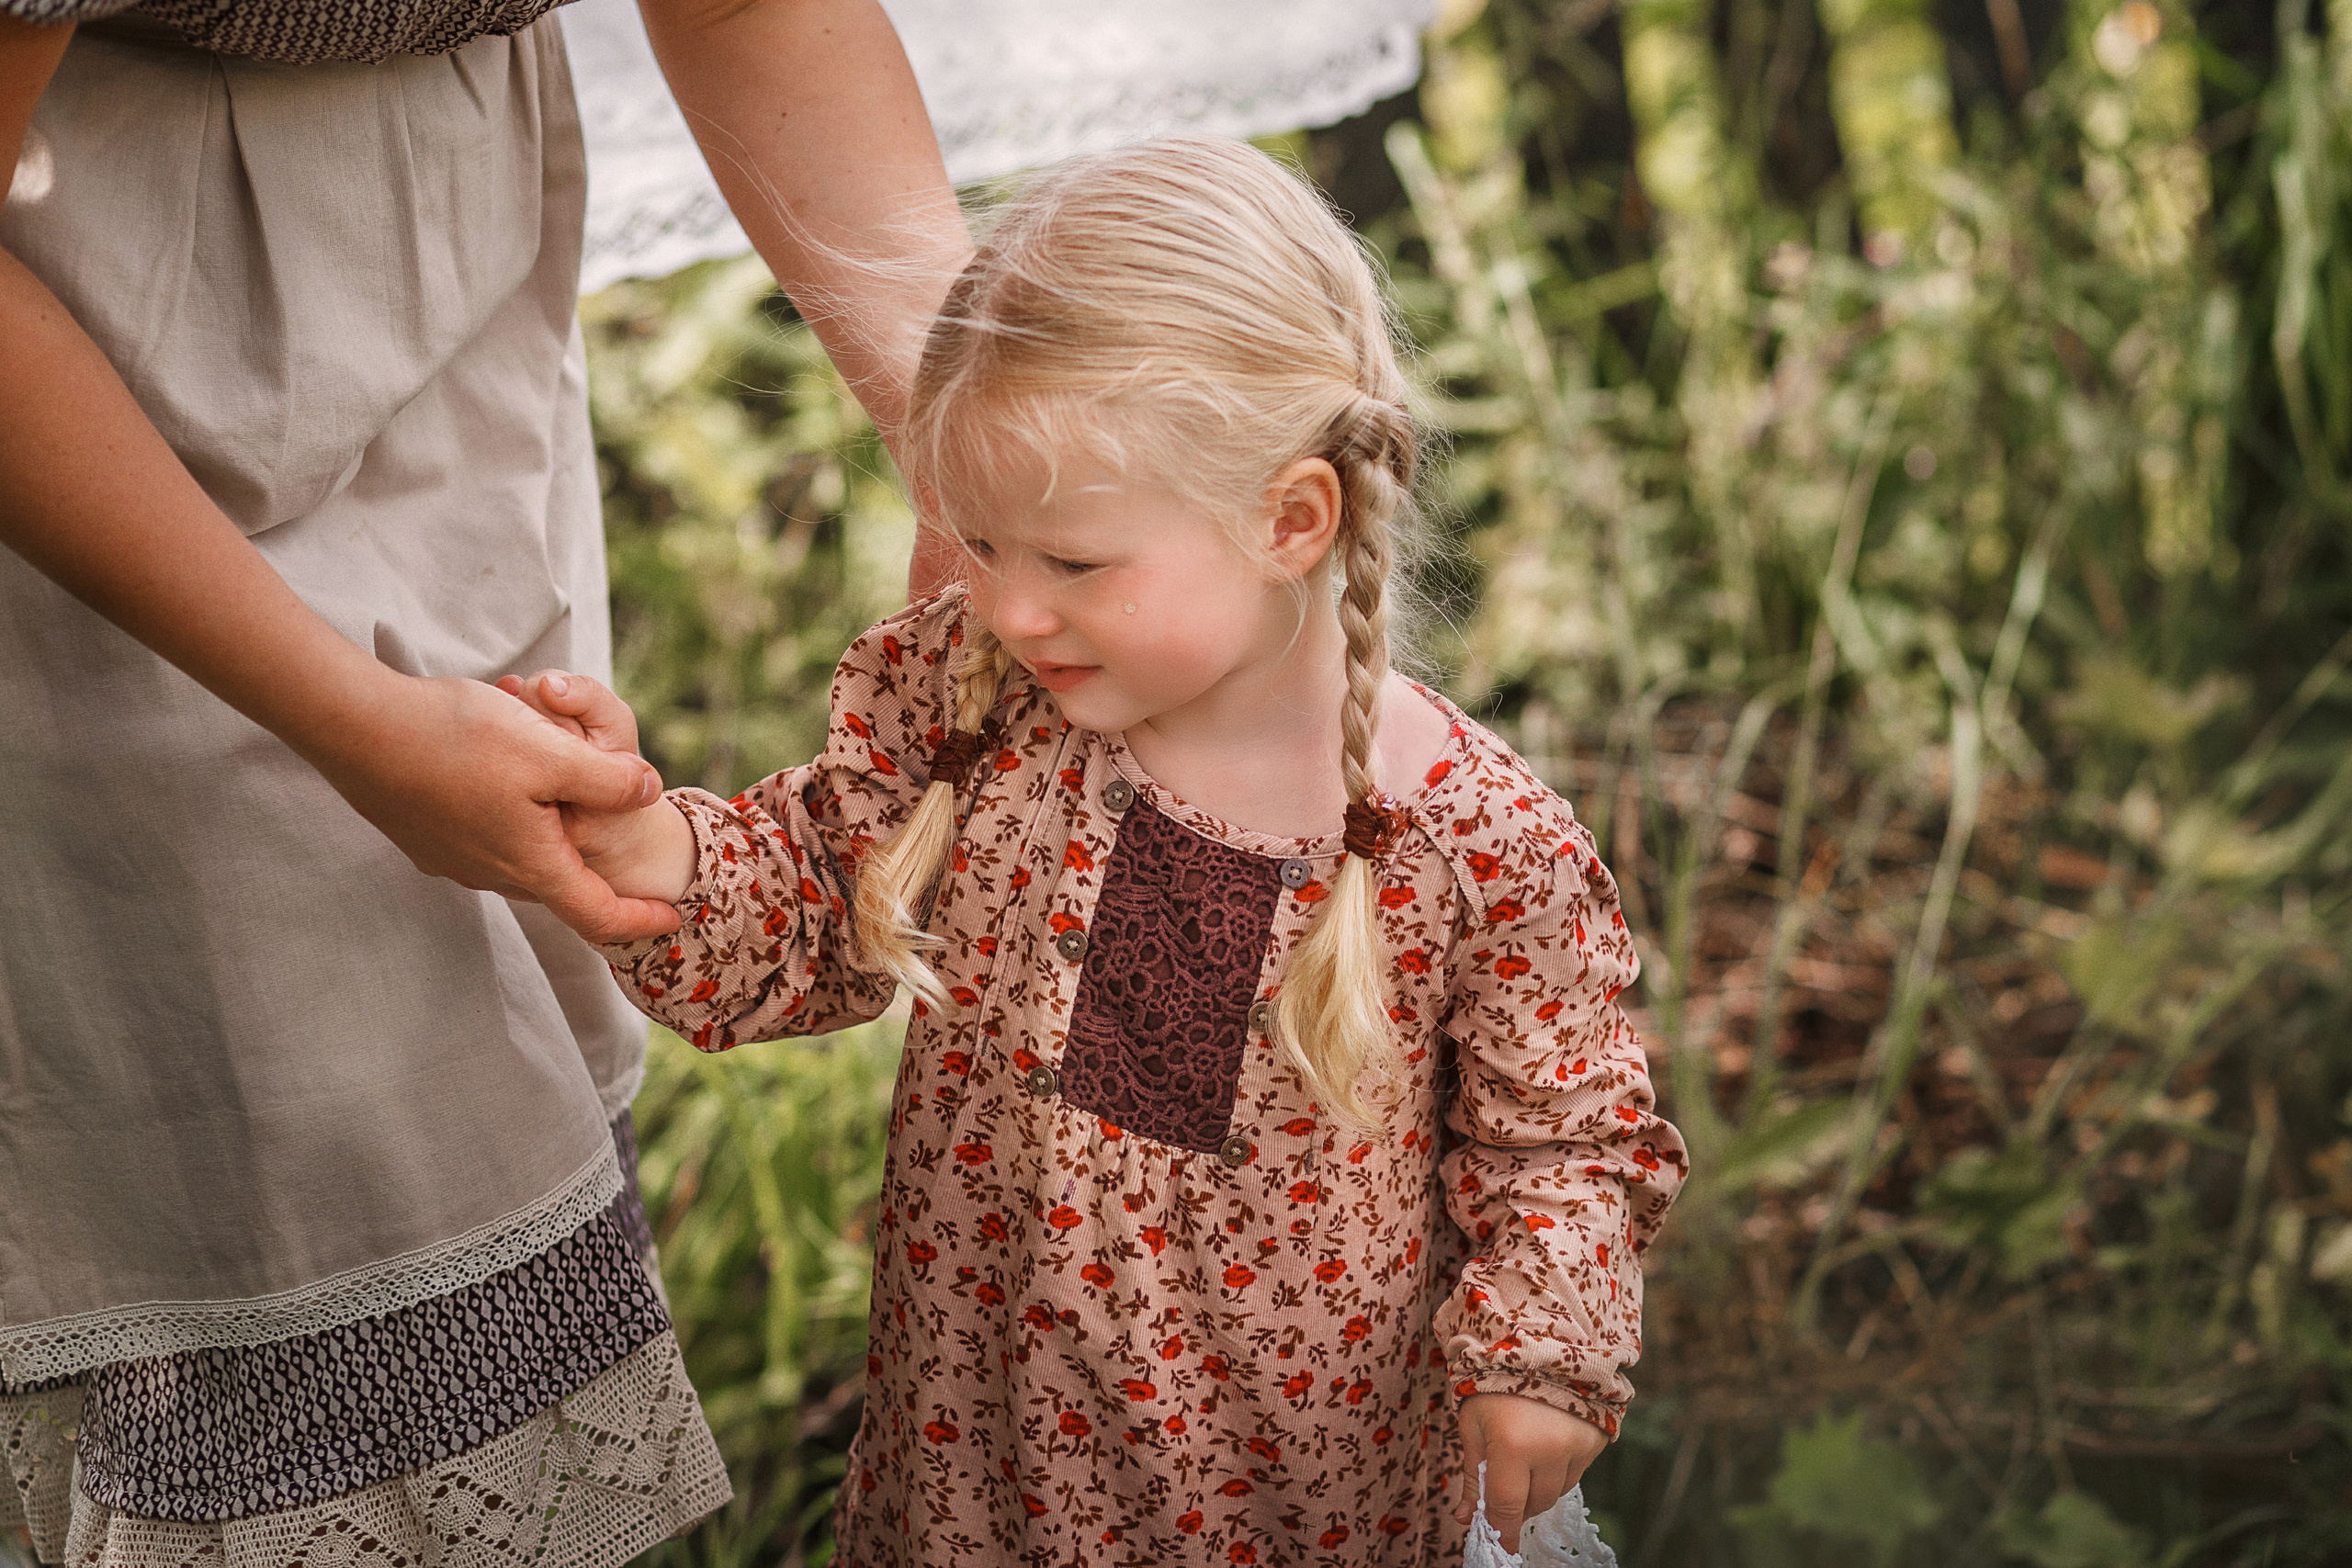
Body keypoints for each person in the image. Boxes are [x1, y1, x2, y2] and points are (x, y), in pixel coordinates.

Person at [506, 137, 1689, 1565]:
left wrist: (1541, 1348)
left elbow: (1560, 1134)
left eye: (1070, 563)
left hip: (1295, 1508)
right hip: (987, 1481)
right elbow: (821, 898)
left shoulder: (1462, 842)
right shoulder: (986, 723)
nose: (1007, 607)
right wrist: (655, 842)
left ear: (1290, 519)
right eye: (980, 543)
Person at [0, 0, 966, 1562]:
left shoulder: (1396, 827)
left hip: (446, 292)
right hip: (99, 397)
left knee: (502, 1082)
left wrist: (964, 428)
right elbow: (792, 924)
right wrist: (380, 735)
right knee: (301, 1158)